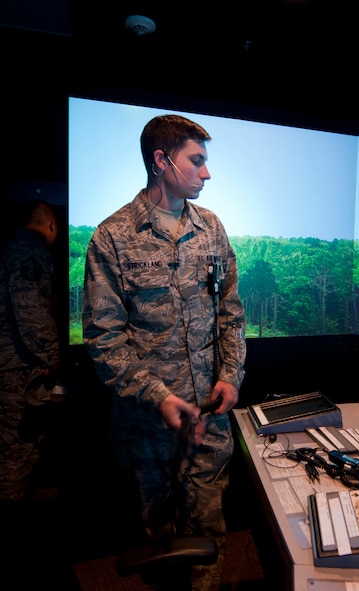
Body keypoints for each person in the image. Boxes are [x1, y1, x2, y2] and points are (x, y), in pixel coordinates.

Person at [82, 114, 246, 590]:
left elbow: (231, 314)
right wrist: (158, 396)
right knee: (157, 538)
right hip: (145, 425)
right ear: (161, 160)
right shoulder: (112, 237)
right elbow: (104, 339)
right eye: (197, 161)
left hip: (209, 418)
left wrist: (230, 376)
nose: (206, 173)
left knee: (211, 535)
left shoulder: (211, 229)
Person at [0, 199, 62, 503]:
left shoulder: (12, 248)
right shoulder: (30, 252)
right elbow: (31, 310)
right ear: (51, 223)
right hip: (18, 372)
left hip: (12, 367)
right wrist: (52, 357)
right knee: (15, 453)